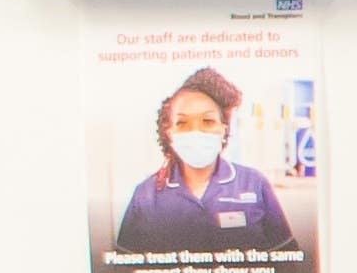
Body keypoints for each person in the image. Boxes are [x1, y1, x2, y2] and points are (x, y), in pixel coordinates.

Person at [110, 65, 297, 256]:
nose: (195, 132)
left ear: (224, 129)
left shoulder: (254, 183)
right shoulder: (146, 195)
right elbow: (124, 272)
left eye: (207, 121)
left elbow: (287, 260)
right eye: (182, 123)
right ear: (169, 132)